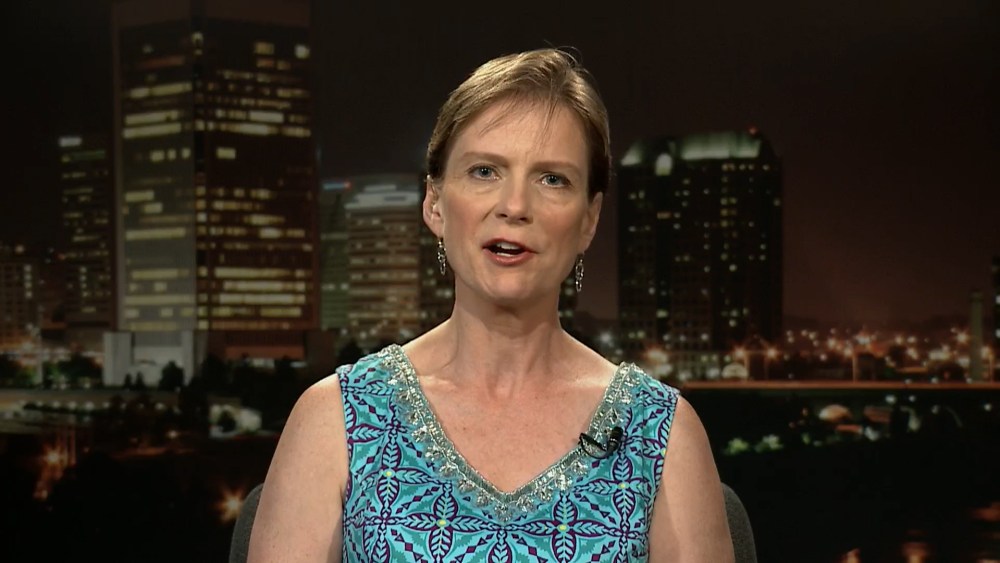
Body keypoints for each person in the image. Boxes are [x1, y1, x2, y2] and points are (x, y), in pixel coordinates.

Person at [249, 47, 733, 562]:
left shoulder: (660, 432)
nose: (515, 206)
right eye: (484, 171)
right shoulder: (337, 419)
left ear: (589, 220)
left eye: (552, 179)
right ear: (435, 202)